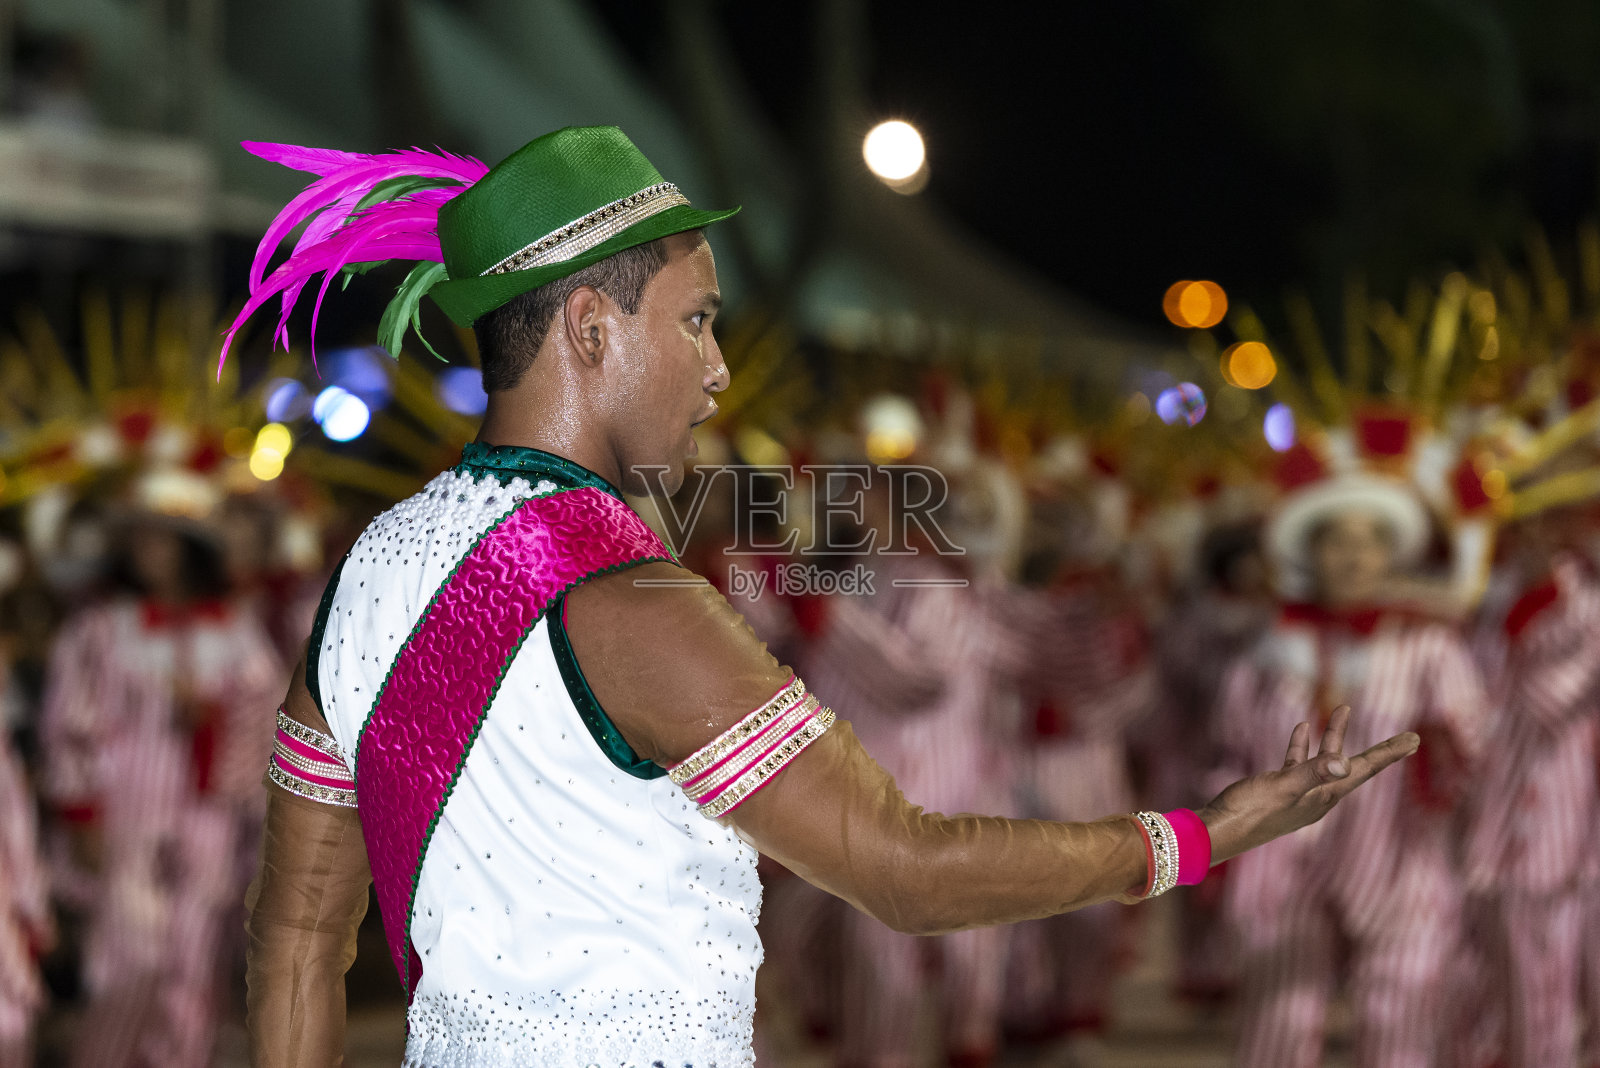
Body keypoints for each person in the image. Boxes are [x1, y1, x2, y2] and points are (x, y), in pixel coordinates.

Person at [236, 125, 1421, 1068]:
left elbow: (295, 936)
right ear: (590, 328)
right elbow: (903, 870)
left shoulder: (367, 573)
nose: (719, 370)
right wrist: (1203, 836)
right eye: (696, 321)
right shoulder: (631, 602)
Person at [1216, 473, 1487, 1068]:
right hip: (1282, 859)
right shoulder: (1270, 646)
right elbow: (1230, 750)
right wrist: (1219, 845)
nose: (1353, 556)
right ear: (1310, 554)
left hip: (1402, 857)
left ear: (1390, 556)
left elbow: (1473, 748)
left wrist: (1445, 751)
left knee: (1400, 1019)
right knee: (1279, 1022)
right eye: (1337, 542)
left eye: (1368, 543)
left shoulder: (1428, 645)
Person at [40, 507, 281, 1068]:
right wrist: (80, 812)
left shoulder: (233, 629)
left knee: (198, 957)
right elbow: (68, 724)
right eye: (140, 539)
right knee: (131, 958)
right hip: (126, 813)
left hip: (210, 816)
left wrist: (216, 717)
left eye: (161, 540)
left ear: (189, 549)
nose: (148, 551)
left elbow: (267, 711)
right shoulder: (101, 629)